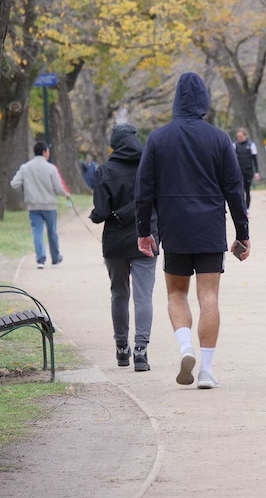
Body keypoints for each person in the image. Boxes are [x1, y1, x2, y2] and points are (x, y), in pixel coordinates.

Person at [135, 72, 250, 390]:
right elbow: (234, 189)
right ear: (204, 101)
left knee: (175, 293)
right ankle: (207, 370)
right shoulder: (219, 138)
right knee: (209, 295)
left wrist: (145, 230)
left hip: (175, 228)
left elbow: (144, 190)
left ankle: (185, 347)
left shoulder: (158, 139)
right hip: (210, 227)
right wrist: (242, 231)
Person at [89, 124, 158, 372]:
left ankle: (121, 348)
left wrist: (96, 216)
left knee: (119, 293)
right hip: (147, 237)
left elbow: (102, 211)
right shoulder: (148, 168)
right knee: (143, 296)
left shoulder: (104, 171)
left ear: (114, 145)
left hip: (115, 242)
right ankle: (141, 350)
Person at [10, 141, 71, 269]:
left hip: (33, 206)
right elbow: (58, 187)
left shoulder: (25, 167)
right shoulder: (51, 168)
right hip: (49, 206)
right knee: (52, 232)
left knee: (37, 232)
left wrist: (25, 189)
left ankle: (40, 259)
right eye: (48, 151)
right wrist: (66, 195)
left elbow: (14, 184)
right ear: (44, 152)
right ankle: (55, 257)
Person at [234, 128, 260, 211]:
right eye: (238, 136)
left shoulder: (251, 145)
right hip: (239, 171)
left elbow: (255, 160)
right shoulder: (235, 145)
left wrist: (256, 172)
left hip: (248, 171)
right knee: (240, 190)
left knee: (247, 190)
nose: (239, 138)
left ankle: (247, 208)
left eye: (241, 136)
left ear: (245, 136)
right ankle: (242, 208)